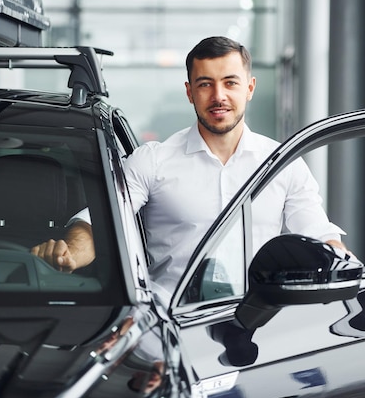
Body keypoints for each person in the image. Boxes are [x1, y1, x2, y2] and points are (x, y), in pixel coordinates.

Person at [31, 36, 348, 303]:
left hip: (257, 330)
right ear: (189, 91)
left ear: (249, 88)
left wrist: (345, 269)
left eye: (230, 83)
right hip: (171, 332)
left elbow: (320, 238)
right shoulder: (153, 161)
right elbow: (98, 222)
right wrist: (71, 252)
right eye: (205, 84)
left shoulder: (283, 164)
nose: (218, 96)